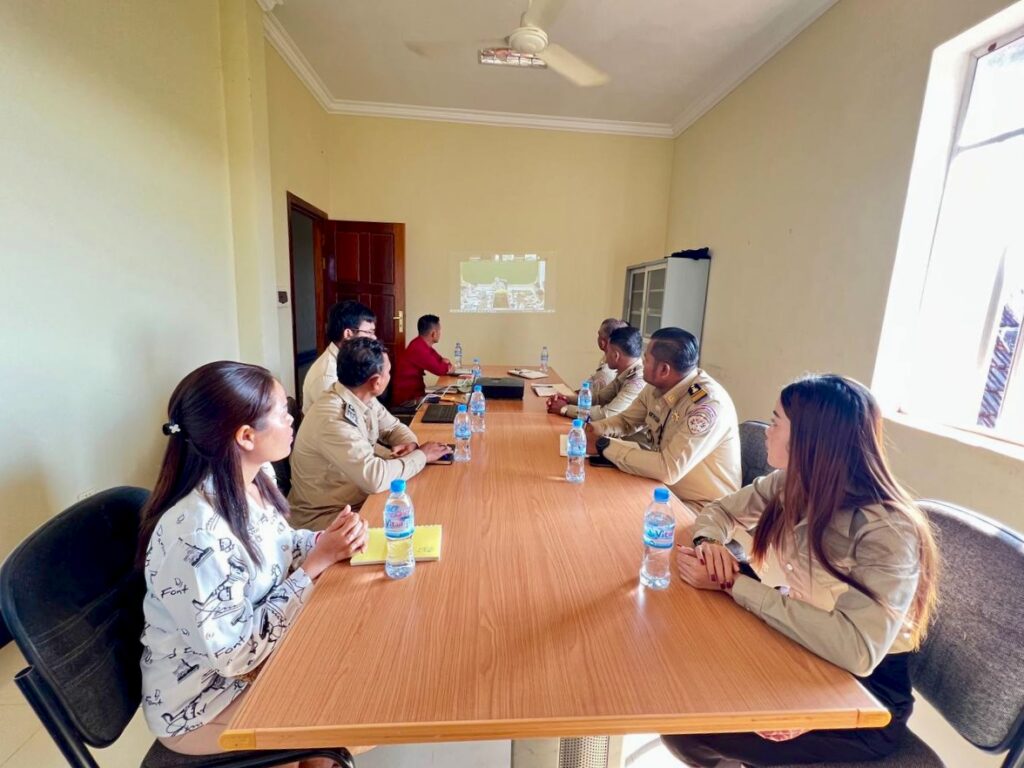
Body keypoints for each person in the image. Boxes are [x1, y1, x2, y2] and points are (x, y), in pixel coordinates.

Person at [664, 374, 940, 766]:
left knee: (689, 722)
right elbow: (721, 511)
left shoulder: (887, 532)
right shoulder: (793, 482)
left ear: (810, 439)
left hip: (866, 695)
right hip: (802, 647)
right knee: (683, 674)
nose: (767, 430)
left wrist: (733, 583)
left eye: (775, 421)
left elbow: (856, 650)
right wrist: (708, 544)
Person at [137, 361, 370, 765]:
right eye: (282, 412)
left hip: (253, 663)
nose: (291, 418)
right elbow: (235, 655)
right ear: (246, 436)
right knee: (347, 708)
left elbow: (281, 545)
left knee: (352, 667)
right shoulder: (198, 534)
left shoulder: (257, 478)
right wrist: (313, 567)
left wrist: (325, 542)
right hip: (201, 702)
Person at [289, 338, 449, 529]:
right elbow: (375, 478)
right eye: (388, 372)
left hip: (356, 500)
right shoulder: (333, 419)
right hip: (326, 518)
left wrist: (411, 445)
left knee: (426, 505)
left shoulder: (360, 395)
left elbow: (394, 427)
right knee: (421, 519)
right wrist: (422, 455)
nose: (390, 376)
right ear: (376, 382)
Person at [586, 327, 740, 514]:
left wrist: (603, 445)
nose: (642, 363)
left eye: (646, 360)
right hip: (659, 488)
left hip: (701, 508)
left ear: (664, 369)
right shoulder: (656, 386)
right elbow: (626, 421)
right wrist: (594, 429)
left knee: (611, 513)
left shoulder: (706, 406)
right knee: (597, 497)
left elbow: (668, 469)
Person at [547, 325, 644, 421]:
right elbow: (599, 399)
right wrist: (566, 399)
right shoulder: (625, 372)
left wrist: (565, 409)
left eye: (607, 352)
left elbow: (606, 415)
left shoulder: (637, 380)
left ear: (616, 356)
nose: (605, 357)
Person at [301, 300, 376, 414]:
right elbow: (339, 419)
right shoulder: (327, 376)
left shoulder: (352, 360)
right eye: (369, 332)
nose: (374, 338)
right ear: (348, 334)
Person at [390, 313, 454, 405]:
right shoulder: (418, 348)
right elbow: (441, 370)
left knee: (448, 399)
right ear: (433, 333)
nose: (440, 333)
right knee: (448, 403)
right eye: (439, 331)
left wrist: (446, 364)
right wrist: (446, 365)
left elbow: (441, 360)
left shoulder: (421, 344)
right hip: (407, 400)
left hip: (417, 395)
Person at [588, 318, 627, 390]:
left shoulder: (605, 374)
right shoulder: (609, 359)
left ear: (603, 342)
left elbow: (591, 395)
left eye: (599, 335)